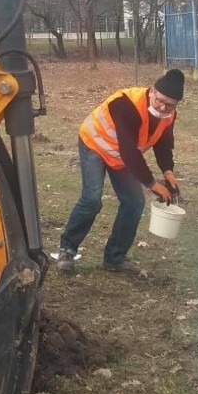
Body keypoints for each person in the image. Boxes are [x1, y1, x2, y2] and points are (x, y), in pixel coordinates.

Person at [56, 68, 184, 275]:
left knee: (134, 203)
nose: (163, 107)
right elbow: (129, 151)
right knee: (91, 199)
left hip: (122, 156)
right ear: (151, 91)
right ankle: (67, 249)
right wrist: (152, 184)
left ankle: (114, 258)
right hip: (95, 144)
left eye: (169, 105)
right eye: (160, 100)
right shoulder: (125, 103)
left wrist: (168, 172)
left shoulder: (168, 116)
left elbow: (163, 144)